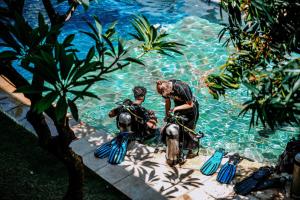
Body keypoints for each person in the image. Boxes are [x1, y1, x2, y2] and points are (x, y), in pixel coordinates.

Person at [156, 79, 199, 158]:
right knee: (176, 127)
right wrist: (167, 115)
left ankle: (191, 150)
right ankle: (179, 147)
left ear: (168, 88)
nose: (165, 95)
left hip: (191, 109)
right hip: (179, 107)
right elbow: (167, 102)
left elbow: (190, 104)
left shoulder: (181, 87)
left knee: (190, 129)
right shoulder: (164, 89)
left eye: (166, 94)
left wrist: (175, 109)